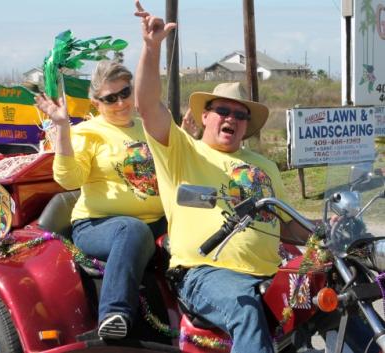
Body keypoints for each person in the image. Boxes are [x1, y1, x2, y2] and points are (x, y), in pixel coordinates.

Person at [133, 3, 314, 352]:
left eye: (240, 114)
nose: (232, 118)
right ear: (205, 117)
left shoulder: (264, 165)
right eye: (223, 111)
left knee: (339, 297)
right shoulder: (181, 149)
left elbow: (287, 224)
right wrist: (151, 49)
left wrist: (328, 234)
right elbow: (147, 104)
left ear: (247, 125)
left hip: (268, 274)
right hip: (204, 274)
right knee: (244, 309)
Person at [34, 60, 165, 340]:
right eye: (110, 98)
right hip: (99, 227)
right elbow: (69, 179)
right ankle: (114, 314)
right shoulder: (88, 133)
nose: (120, 103)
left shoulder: (147, 129)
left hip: (157, 223)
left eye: (125, 93)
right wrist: (63, 130)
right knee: (131, 229)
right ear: (96, 101)